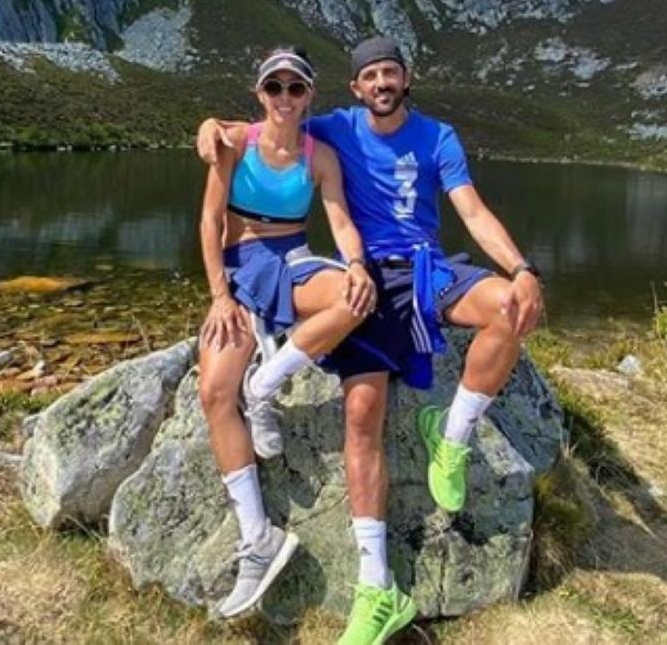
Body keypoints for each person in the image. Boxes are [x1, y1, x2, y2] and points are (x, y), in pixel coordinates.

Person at [198, 35, 544, 645]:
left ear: (406, 80)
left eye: (391, 73)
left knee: (510, 309)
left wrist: (521, 269)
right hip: (372, 279)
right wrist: (212, 125)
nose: (381, 83)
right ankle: (377, 585)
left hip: (428, 269)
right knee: (362, 412)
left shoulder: (438, 138)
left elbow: (474, 211)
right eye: (370, 76)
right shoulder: (337, 128)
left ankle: (452, 434)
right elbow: (262, 125)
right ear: (356, 88)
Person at [198, 47, 377, 620]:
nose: (283, 98)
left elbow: (341, 219)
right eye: (273, 87)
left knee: (357, 301)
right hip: (238, 265)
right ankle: (258, 538)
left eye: (294, 89)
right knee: (213, 393)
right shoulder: (233, 144)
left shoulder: (318, 155)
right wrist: (220, 296)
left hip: (293, 259)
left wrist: (354, 263)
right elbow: (208, 220)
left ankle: (266, 383)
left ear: (308, 97)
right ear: (259, 94)